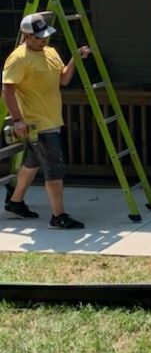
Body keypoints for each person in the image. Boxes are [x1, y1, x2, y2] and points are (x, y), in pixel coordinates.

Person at [3, 12, 91, 229]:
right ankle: (58, 216)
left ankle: (15, 202)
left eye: (45, 35)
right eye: (38, 37)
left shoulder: (50, 51)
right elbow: (7, 89)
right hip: (36, 123)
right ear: (26, 36)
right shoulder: (18, 58)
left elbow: (64, 79)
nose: (43, 39)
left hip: (52, 118)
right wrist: (17, 120)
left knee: (32, 163)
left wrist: (75, 59)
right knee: (54, 167)